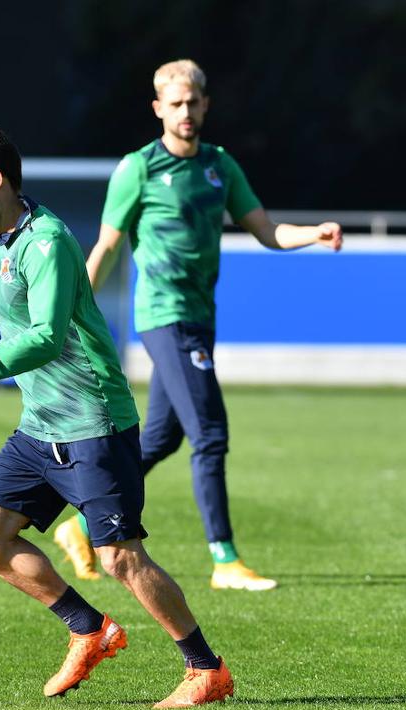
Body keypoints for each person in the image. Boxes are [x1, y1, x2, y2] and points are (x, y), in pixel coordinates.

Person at [0, 122, 233, 708]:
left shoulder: (47, 242)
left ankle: (206, 670)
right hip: (41, 427)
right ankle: (90, 629)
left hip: (93, 424)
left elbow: (48, 338)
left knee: (119, 557)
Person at [52, 59, 343, 590]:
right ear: (159, 108)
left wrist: (315, 234)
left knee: (161, 438)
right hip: (165, 317)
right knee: (210, 433)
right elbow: (107, 247)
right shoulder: (138, 168)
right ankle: (225, 559)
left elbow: (267, 231)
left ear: (205, 105)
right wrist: (70, 318)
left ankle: (77, 525)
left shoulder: (220, 166)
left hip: (199, 318)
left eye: (194, 103)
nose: (185, 112)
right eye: (175, 104)